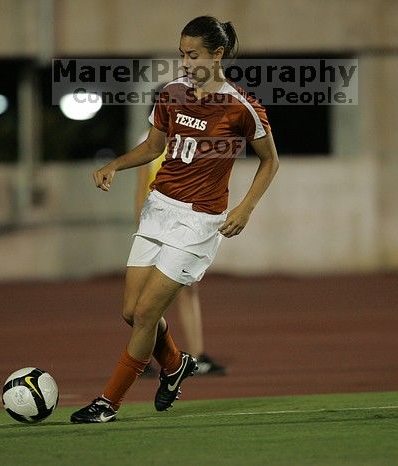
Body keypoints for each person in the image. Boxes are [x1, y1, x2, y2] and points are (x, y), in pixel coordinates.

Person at [71, 16, 279, 423]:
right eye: (181, 53)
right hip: (159, 208)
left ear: (217, 55)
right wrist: (117, 164)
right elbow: (153, 145)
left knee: (147, 314)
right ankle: (177, 363)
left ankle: (107, 403)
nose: (184, 62)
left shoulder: (241, 107)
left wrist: (245, 208)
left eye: (193, 54)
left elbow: (270, 161)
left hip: (197, 222)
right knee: (131, 311)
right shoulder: (171, 93)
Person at [135, 155, 227, 376]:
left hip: (184, 225)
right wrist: (144, 228)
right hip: (156, 224)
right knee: (147, 299)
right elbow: (140, 190)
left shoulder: (194, 135)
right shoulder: (150, 141)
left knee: (188, 288)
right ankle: (142, 357)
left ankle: (197, 357)